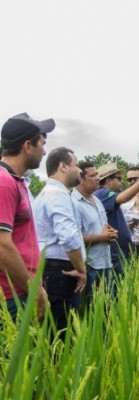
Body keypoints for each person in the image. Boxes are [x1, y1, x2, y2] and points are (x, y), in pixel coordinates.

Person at [0, 113, 51, 321]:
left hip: (22, 289)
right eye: (42, 143)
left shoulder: (16, 180)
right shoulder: (4, 182)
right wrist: (34, 290)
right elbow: (2, 246)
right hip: (13, 294)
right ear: (28, 146)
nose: (45, 151)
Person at [33, 147, 87, 332]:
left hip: (51, 269)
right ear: (63, 166)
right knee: (62, 333)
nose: (80, 170)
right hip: (60, 272)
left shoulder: (46, 194)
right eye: (77, 165)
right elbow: (68, 237)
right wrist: (81, 269)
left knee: (54, 329)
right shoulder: (58, 195)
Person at [95, 164, 139, 276]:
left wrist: (127, 226)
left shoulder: (106, 196)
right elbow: (123, 198)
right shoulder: (103, 193)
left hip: (122, 252)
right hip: (115, 254)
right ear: (109, 180)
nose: (122, 182)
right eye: (119, 178)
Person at [72, 162, 117, 305]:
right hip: (89, 267)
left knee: (106, 311)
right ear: (81, 179)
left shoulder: (97, 200)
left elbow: (103, 228)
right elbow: (73, 238)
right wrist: (103, 237)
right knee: (90, 312)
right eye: (93, 175)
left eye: (97, 174)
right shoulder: (73, 203)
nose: (98, 178)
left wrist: (110, 233)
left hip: (105, 263)